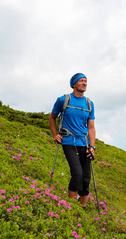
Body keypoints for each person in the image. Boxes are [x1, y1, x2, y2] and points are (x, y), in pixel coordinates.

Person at [49, 73, 96, 209]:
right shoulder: (63, 100)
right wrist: (55, 134)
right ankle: (70, 207)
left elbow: (91, 127)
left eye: (86, 81)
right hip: (68, 142)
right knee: (77, 173)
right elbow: (52, 118)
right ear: (74, 84)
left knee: (86, 177)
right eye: (81, 81)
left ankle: (82, 208)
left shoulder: (89, 104)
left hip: (85, 144)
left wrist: (92, 147)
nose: (84, 83)